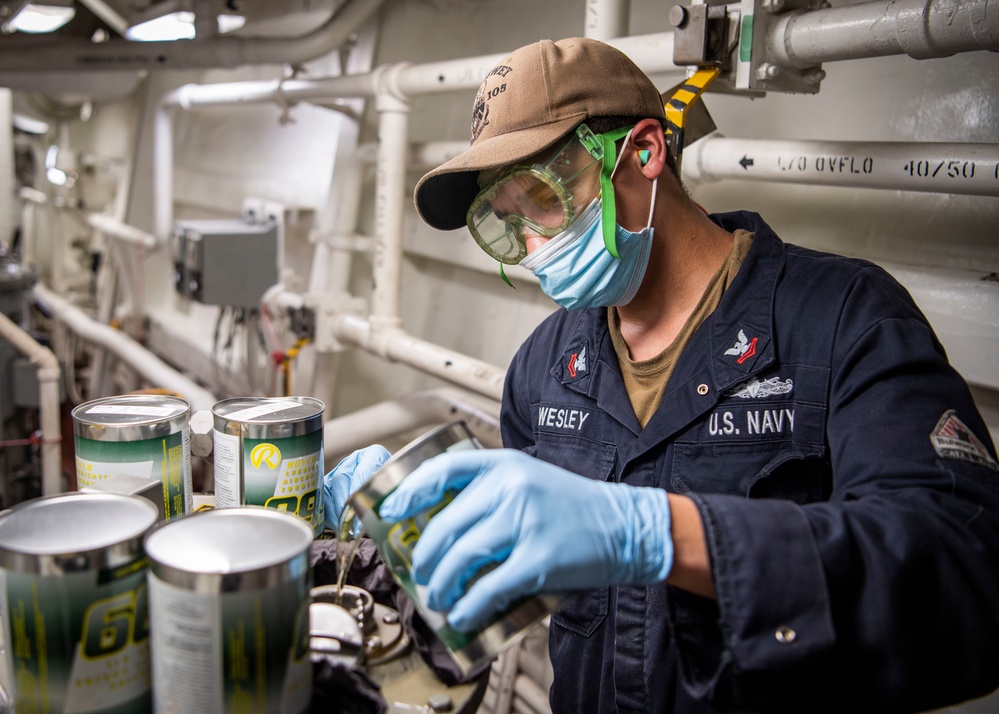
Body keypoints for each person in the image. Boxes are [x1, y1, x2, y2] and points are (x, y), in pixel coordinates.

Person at [324, 37, 999, 713]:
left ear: (644, 152)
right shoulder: (543, 367)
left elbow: (968, 580)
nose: (534, 248)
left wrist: (653, 533)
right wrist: (419, 535)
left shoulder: (842, 320)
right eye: (505, 225)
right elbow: (533, 591)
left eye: (543, 198)